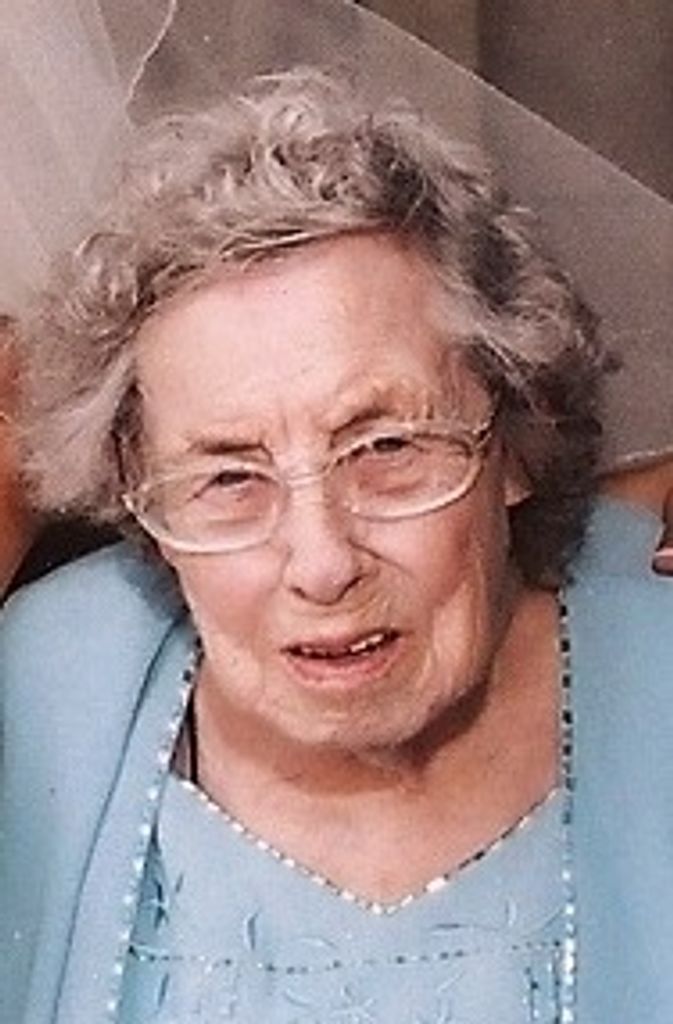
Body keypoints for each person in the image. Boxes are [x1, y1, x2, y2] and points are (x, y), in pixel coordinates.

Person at [3, 69, 673, 1024]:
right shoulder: (38, 691)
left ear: (517, 439)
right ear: (136, 498)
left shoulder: (655, 655)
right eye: (227, 478)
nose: (322, 565)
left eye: (387, 449)